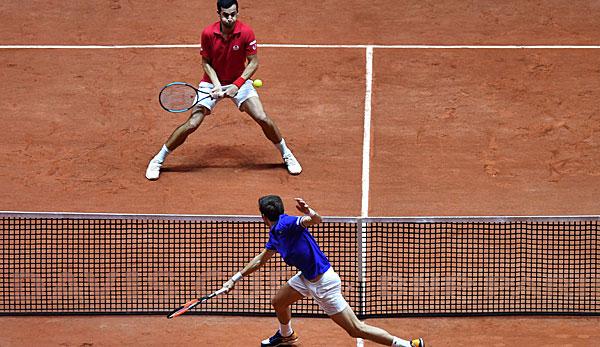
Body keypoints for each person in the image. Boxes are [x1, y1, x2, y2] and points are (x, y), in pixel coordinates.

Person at [222, 195, 425, 347]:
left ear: (263, 216)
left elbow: (316, 220)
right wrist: (235, 278)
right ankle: (286, 336)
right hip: (306, 279)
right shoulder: (275, 233)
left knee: (355, 329)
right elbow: (260, 259)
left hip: (324, 283)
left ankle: (406, 345)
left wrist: (309, 211)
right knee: (279, 302)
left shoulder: (289, 223)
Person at [145, 0, 302, 180]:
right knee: (192, 124)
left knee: (262, 117)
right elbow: (206, 63)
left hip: (239, 81)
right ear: (218, 13)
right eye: (226, 15)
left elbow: (254, 62)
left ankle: (286, 154)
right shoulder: (208, 33)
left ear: (237, 12)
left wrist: (237, 84)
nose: (230, 18)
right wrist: (217, 84)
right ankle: (158, 160)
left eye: (233, 14)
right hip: (212, 84)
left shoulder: (246, 32)